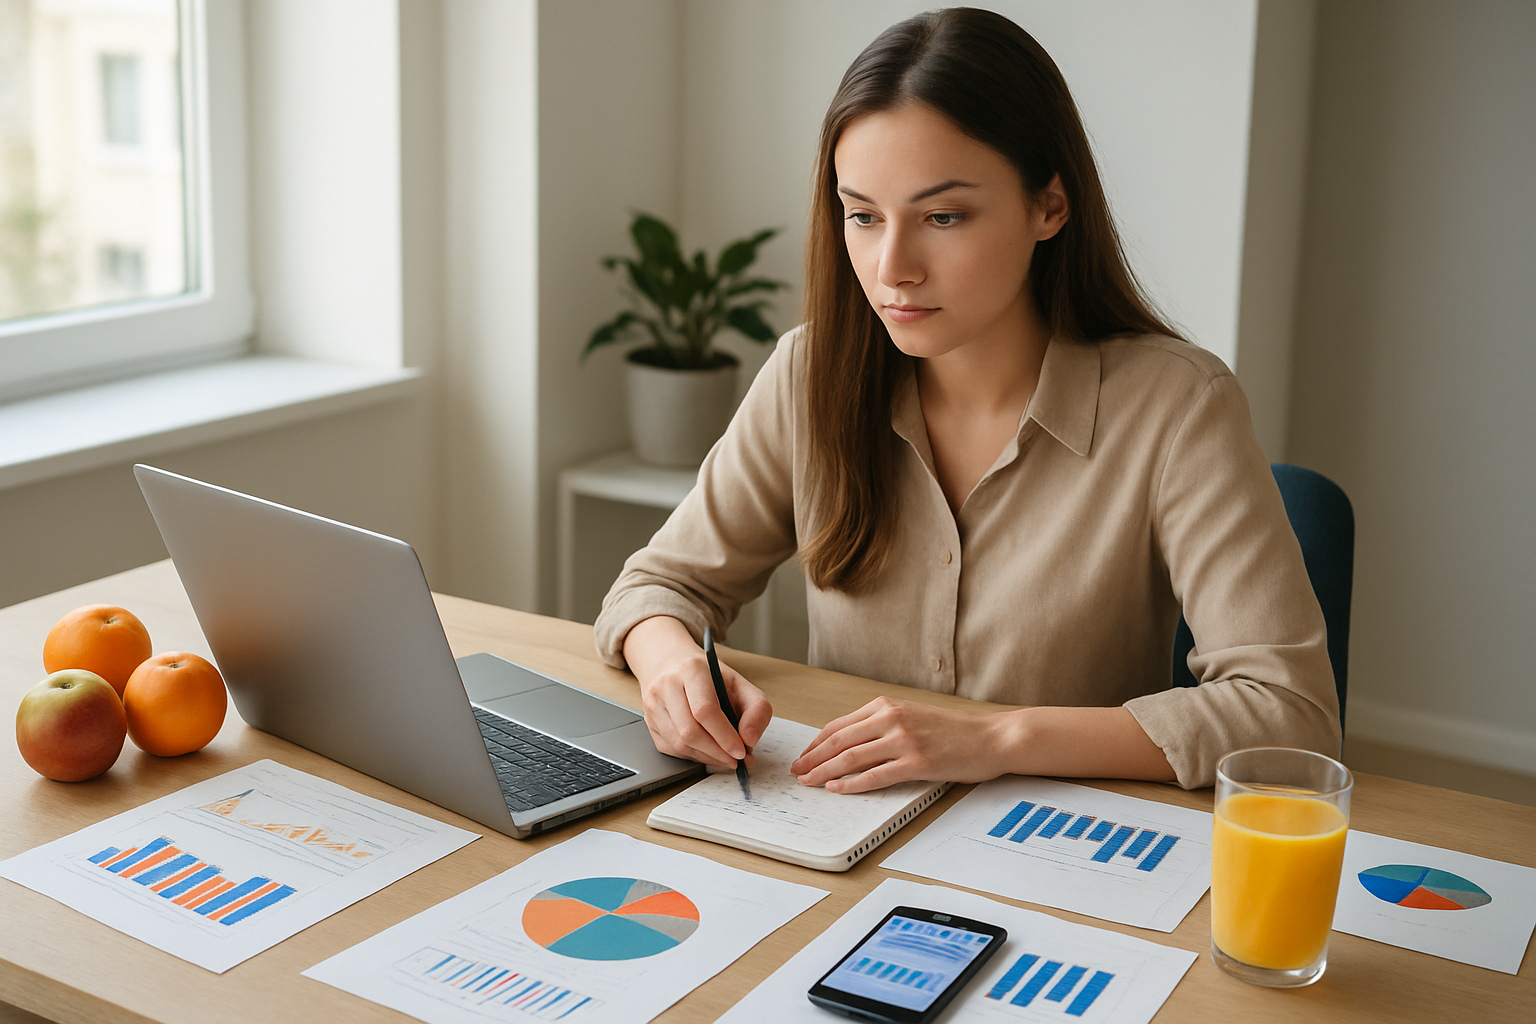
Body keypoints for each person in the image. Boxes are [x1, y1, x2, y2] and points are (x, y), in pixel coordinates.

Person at [593, 7, 1340, 794]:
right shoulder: (810, 373)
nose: (892, 268)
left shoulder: (1178, 406)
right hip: (839, 831)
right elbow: (657, 588)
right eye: (863, 216)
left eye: (942, 216)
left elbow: (1287, 712)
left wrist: (999, 739)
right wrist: (673, 667)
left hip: (1057, 851)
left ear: (1049, 205)